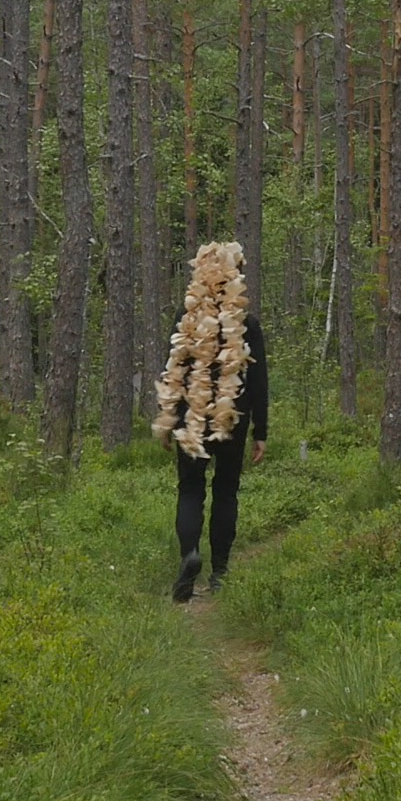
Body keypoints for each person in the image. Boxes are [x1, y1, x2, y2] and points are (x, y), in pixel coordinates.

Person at [152, 241, 268, 602]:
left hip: (191, 417)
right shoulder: (247, 324)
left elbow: (173, 370)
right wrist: (261, 431)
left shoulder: (184, 320)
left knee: (190, 489)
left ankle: (190, 555)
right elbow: (259, 379)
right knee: (225, 489)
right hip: (232, 417)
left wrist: (168, 419)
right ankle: (219, 571)